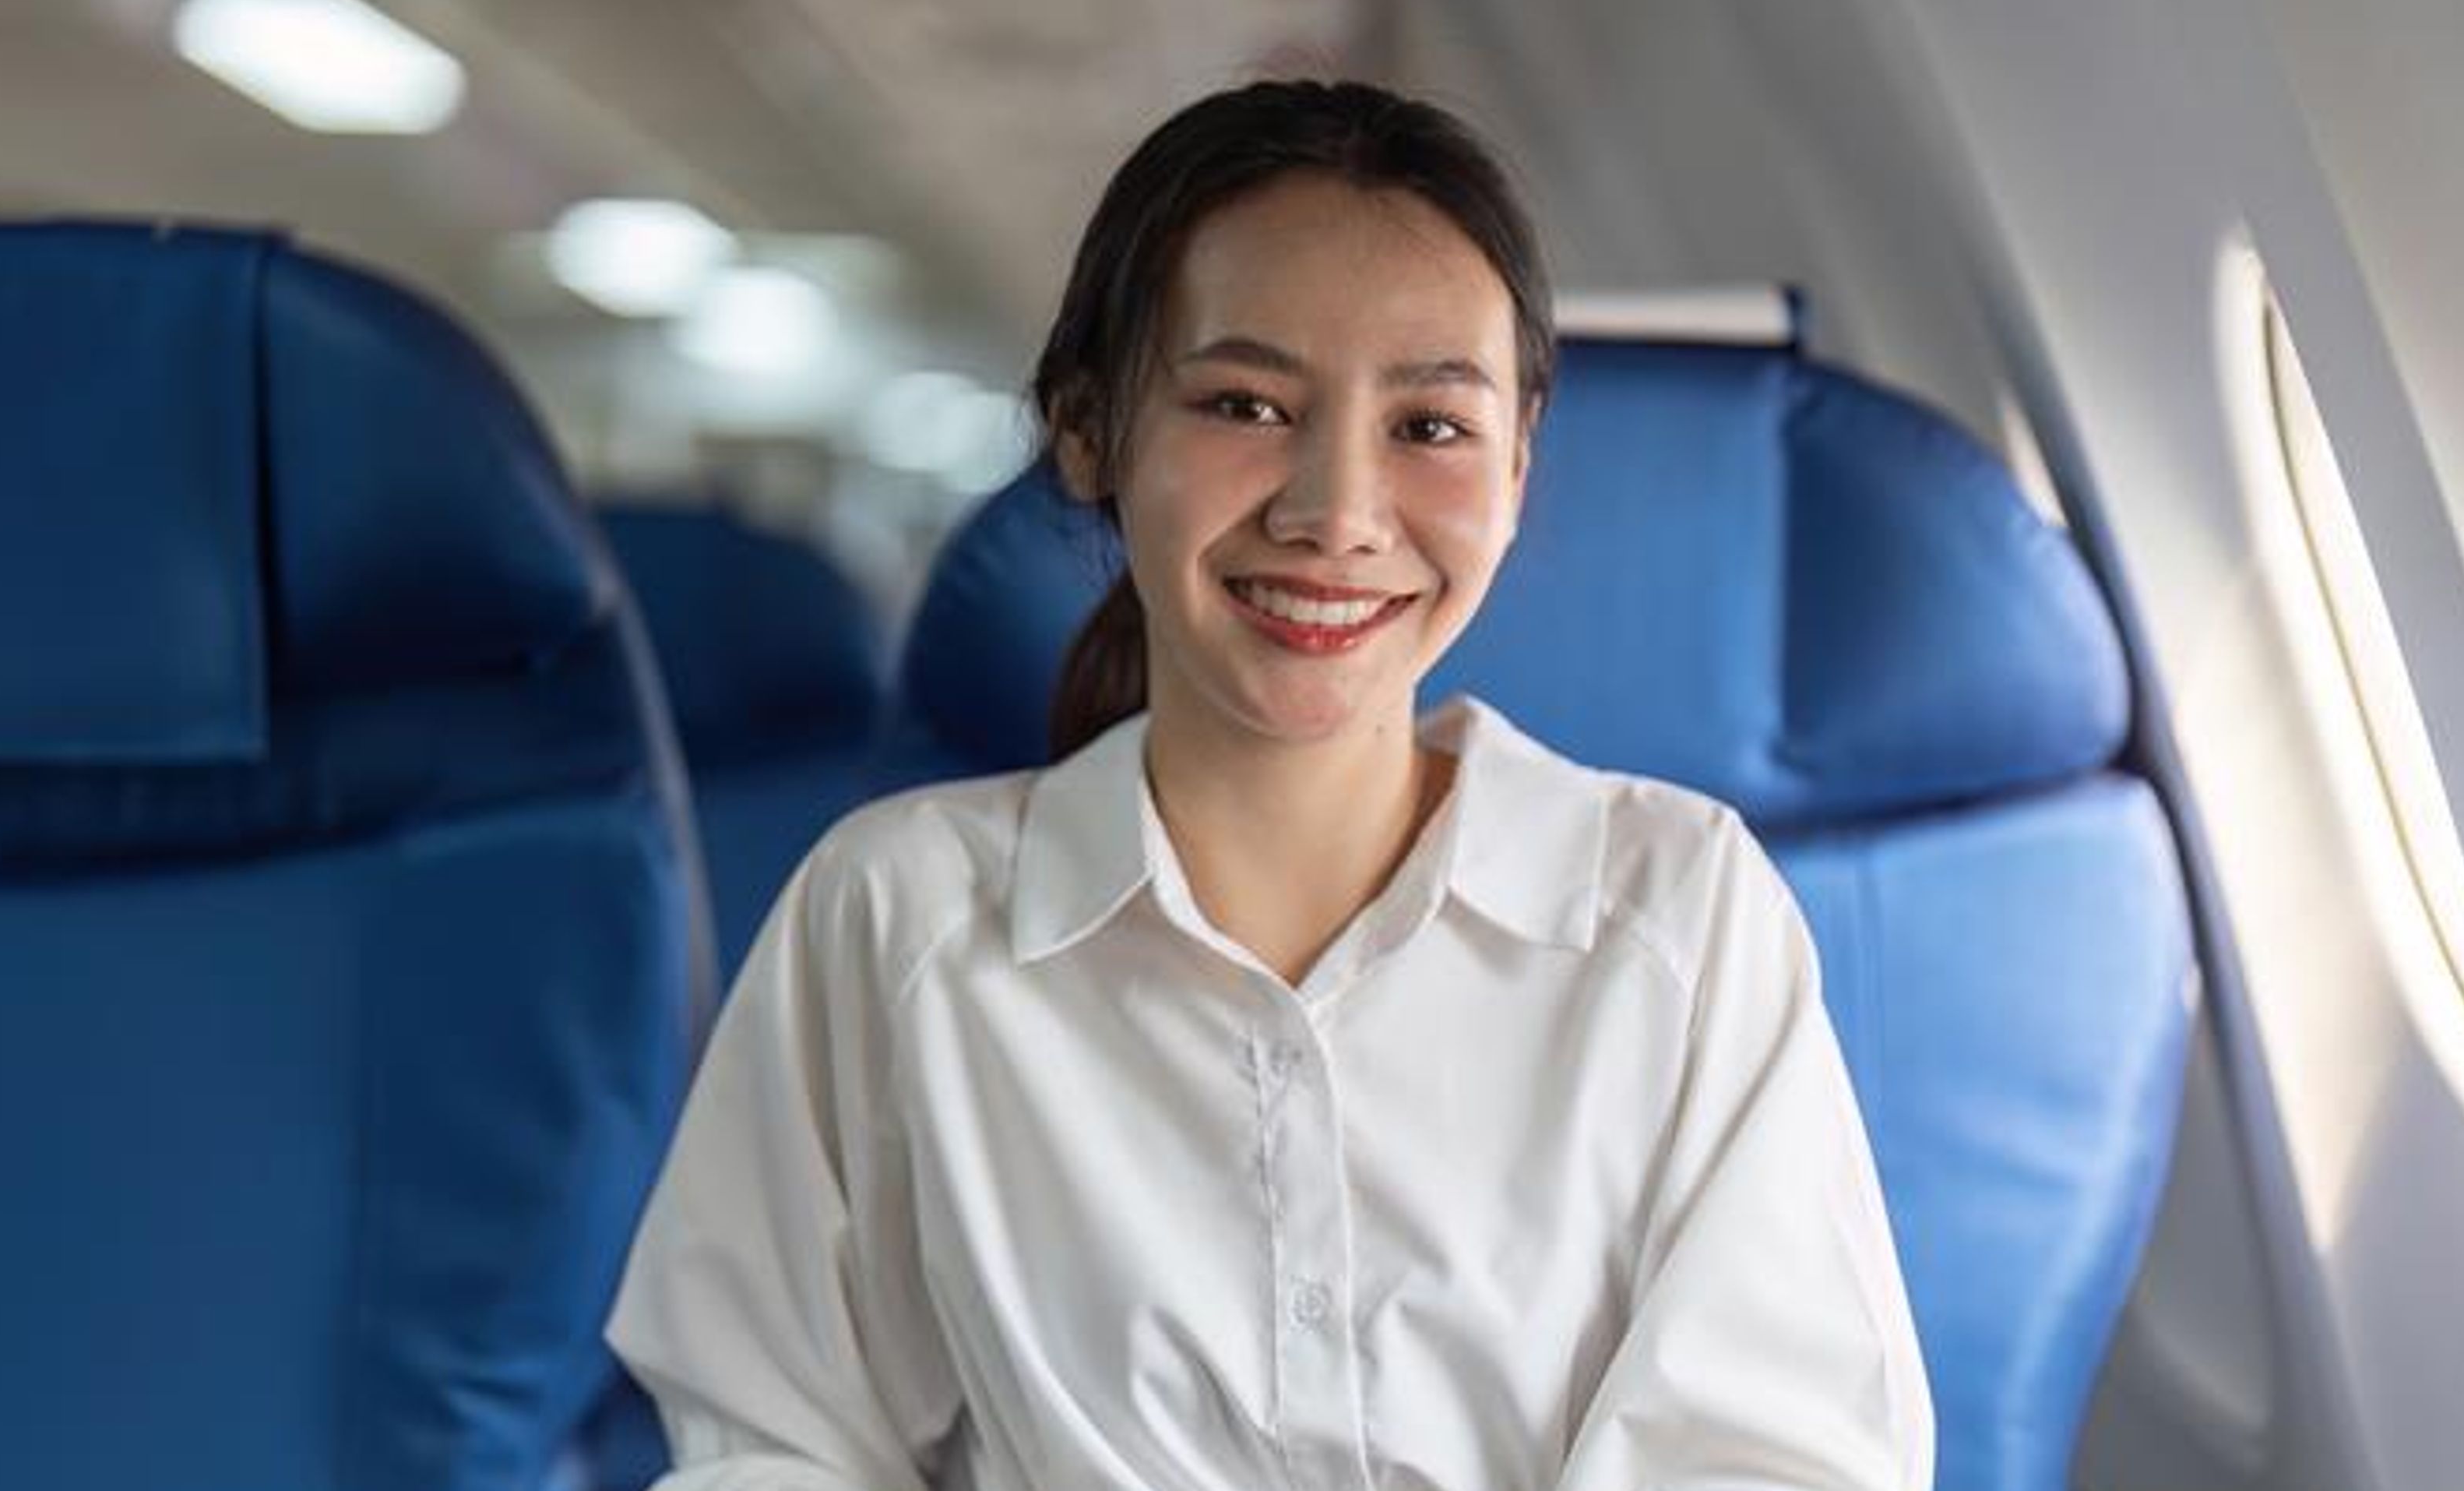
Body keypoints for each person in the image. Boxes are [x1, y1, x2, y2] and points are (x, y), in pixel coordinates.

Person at [604, 80, 1934, 1491]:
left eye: (1429, 426)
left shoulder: (1677, 911)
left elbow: (1782, 1459)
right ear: (1087, 431)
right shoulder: (897, 917)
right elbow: (778, 1448)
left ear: (1520, 468)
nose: (1336, 515)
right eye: (1246, 403)